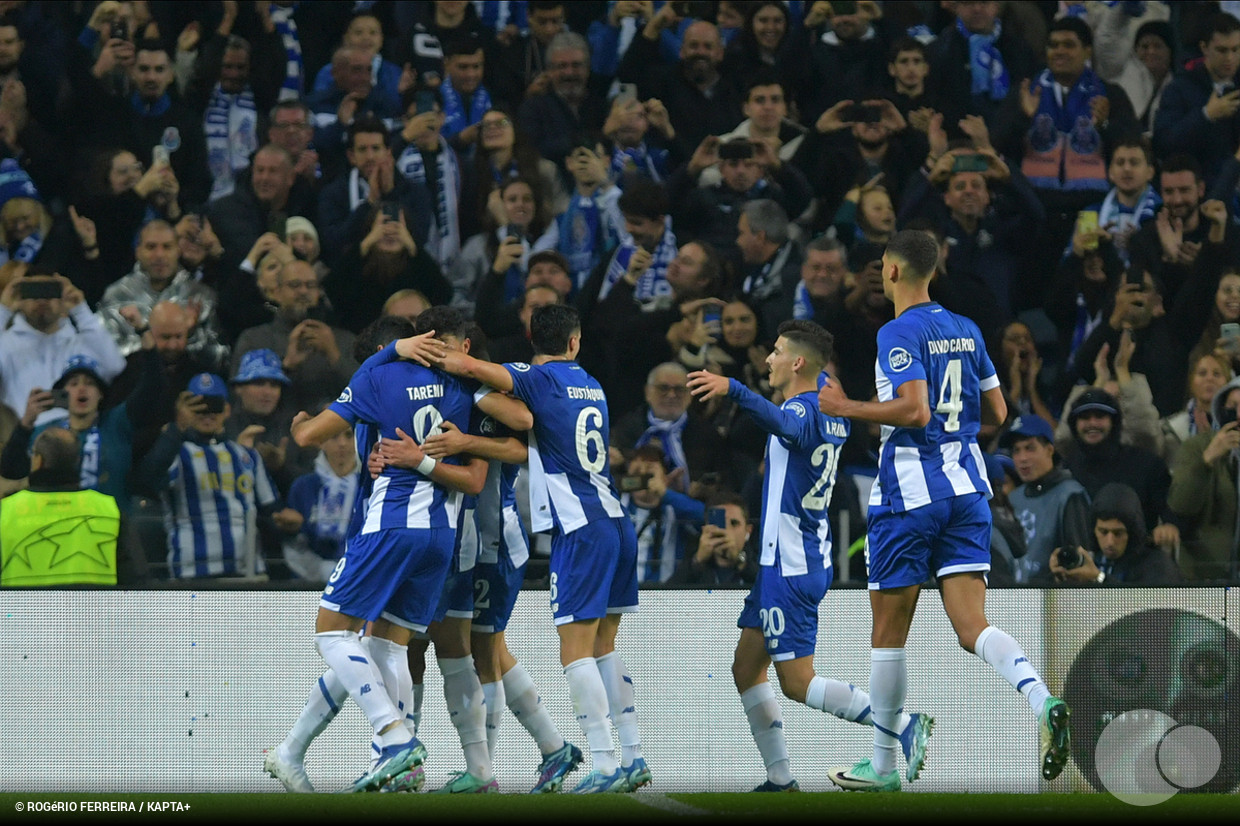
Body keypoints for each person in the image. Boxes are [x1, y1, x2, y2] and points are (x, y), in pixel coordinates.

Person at [816, 230, 1070, 791]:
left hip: (910, 494)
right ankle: (1041, 697)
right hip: (969, 487)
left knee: (888, 632)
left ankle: (882, 767)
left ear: (892, 271)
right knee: (970, 625)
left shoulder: (897, 331)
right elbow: (999, 410)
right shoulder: (966, 328)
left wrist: (844, 405)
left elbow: (912, 409)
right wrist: (957, 440)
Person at [689, 317, 936, 791]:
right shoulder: (829, 399)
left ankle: (901, 725)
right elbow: (813, 393)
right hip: (783, 561)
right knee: (746, 668)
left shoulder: (803, 410)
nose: (768, 359)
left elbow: (786, 423)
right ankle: (781, 778)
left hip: (791, 564)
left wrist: (733, 389)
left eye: (777, 351)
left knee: (797, 683)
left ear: (797, 362)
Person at [423, 303, 650, 793]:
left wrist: (428, 356)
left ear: (533, 340)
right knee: (606, 647)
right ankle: (631, 755)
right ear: (575, 341)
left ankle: (605, 764)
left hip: (579, 527)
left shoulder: (537, 377)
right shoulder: (590, 383)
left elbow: (471, 369)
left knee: (575, 653)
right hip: (615, 519)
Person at [136, 372, 302, 580]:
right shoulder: (176, 454)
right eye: (198, 406)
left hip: (247, 571)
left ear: (227, 410)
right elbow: (148, 479)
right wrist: (177, 427)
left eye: (214, 405)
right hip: (191, 574)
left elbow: (271, 511)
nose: (207, 413)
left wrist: (288, 523)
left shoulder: (247, 456)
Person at [0, 345, 162, 510]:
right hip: (60, 526)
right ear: (63, 393)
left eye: (90, 383)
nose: (81, 388)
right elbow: (11, 471)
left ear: (101, 394)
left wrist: (146, 338)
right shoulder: (47, 433)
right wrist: (25, 424)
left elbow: (153, 386)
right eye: (73, 383)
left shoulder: (117, 422)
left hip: (113, 527)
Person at [0, 427, 135, 587]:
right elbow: (135, 579)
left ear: (38, 461)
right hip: (92, 610)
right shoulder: (108, 509)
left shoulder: (6, 510)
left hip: (21, 611)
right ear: (77, 461)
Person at [0, 271, 126, 422]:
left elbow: (115, 367)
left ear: (62, 297)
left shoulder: (82, 342)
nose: (41, 300)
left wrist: (80, 310)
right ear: (21, 297)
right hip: (22, 435)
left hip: (76, 435)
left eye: (49, 291)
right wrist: (3, 311)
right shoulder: (6, 343)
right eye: (33, 291)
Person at [1001, 412, 1094, 584]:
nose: (1022, 459)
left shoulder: (1070, 495)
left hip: (1055, 600)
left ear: (1049, 450)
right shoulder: (1013, 499)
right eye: (1016, 450)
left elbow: (1079, 565)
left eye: (1030, 448)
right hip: (1013, 600)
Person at [1046, 481, 1180, 586]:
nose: (1110, 542)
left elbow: (1147, 612)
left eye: (1118, 533)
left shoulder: (1157, 566)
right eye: (1103, 532)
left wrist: (1098, 579)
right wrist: (1061, 581)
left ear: (1132, 533)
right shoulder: (1088, 562)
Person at [665, 489, 758, 587]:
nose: (726, 530)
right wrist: (697, 561)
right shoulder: (692, 561)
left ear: (748, 530)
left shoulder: (762, 560)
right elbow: (666, 599)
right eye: (718, 524)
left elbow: (769, 591)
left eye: (734, 523)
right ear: (705, 529)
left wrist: (740, 563)